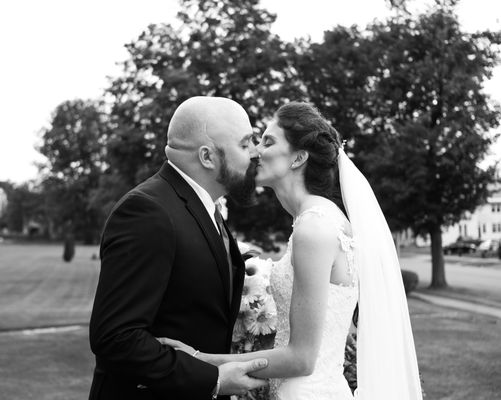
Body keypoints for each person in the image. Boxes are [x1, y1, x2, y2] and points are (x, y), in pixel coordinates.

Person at [160, 102, 423, 399]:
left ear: (298, 158)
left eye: (268, 141)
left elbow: (301, 358)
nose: (256, 151)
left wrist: (200, 360)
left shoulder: (314, 228)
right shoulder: (314, 221)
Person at [88, 96, 269, 400]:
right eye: (245, 143)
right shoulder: (148, 212)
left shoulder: (207, 209)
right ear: (207, 157)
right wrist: (213, 378)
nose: (255, 153)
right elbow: (115, 338)